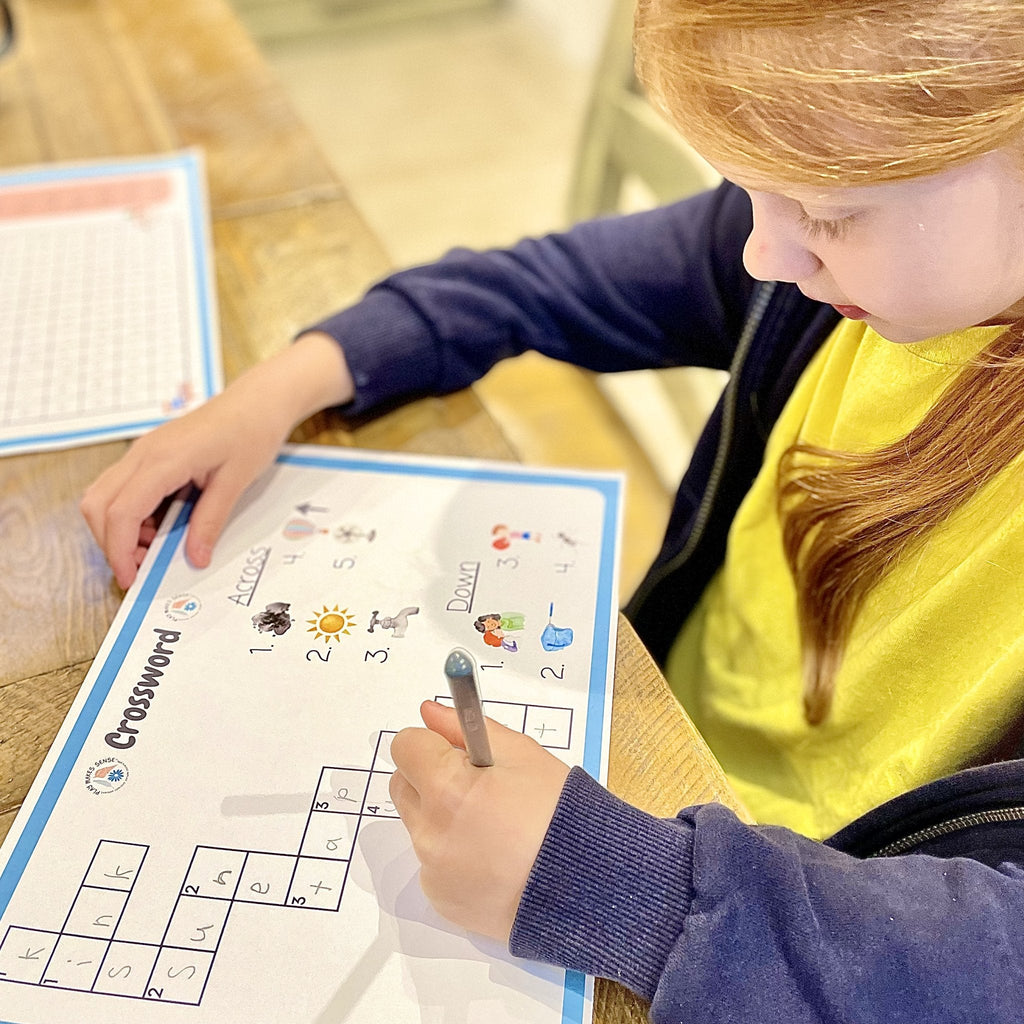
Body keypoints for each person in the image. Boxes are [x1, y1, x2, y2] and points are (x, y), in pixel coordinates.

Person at [81, 0, 1024, 1017]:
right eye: (748, 193)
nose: (761, 255)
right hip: (661, 740)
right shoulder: (820, 273)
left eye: (831, 214)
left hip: (810, 927)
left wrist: (642, 893)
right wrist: (292, 380)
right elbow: (543, 282)